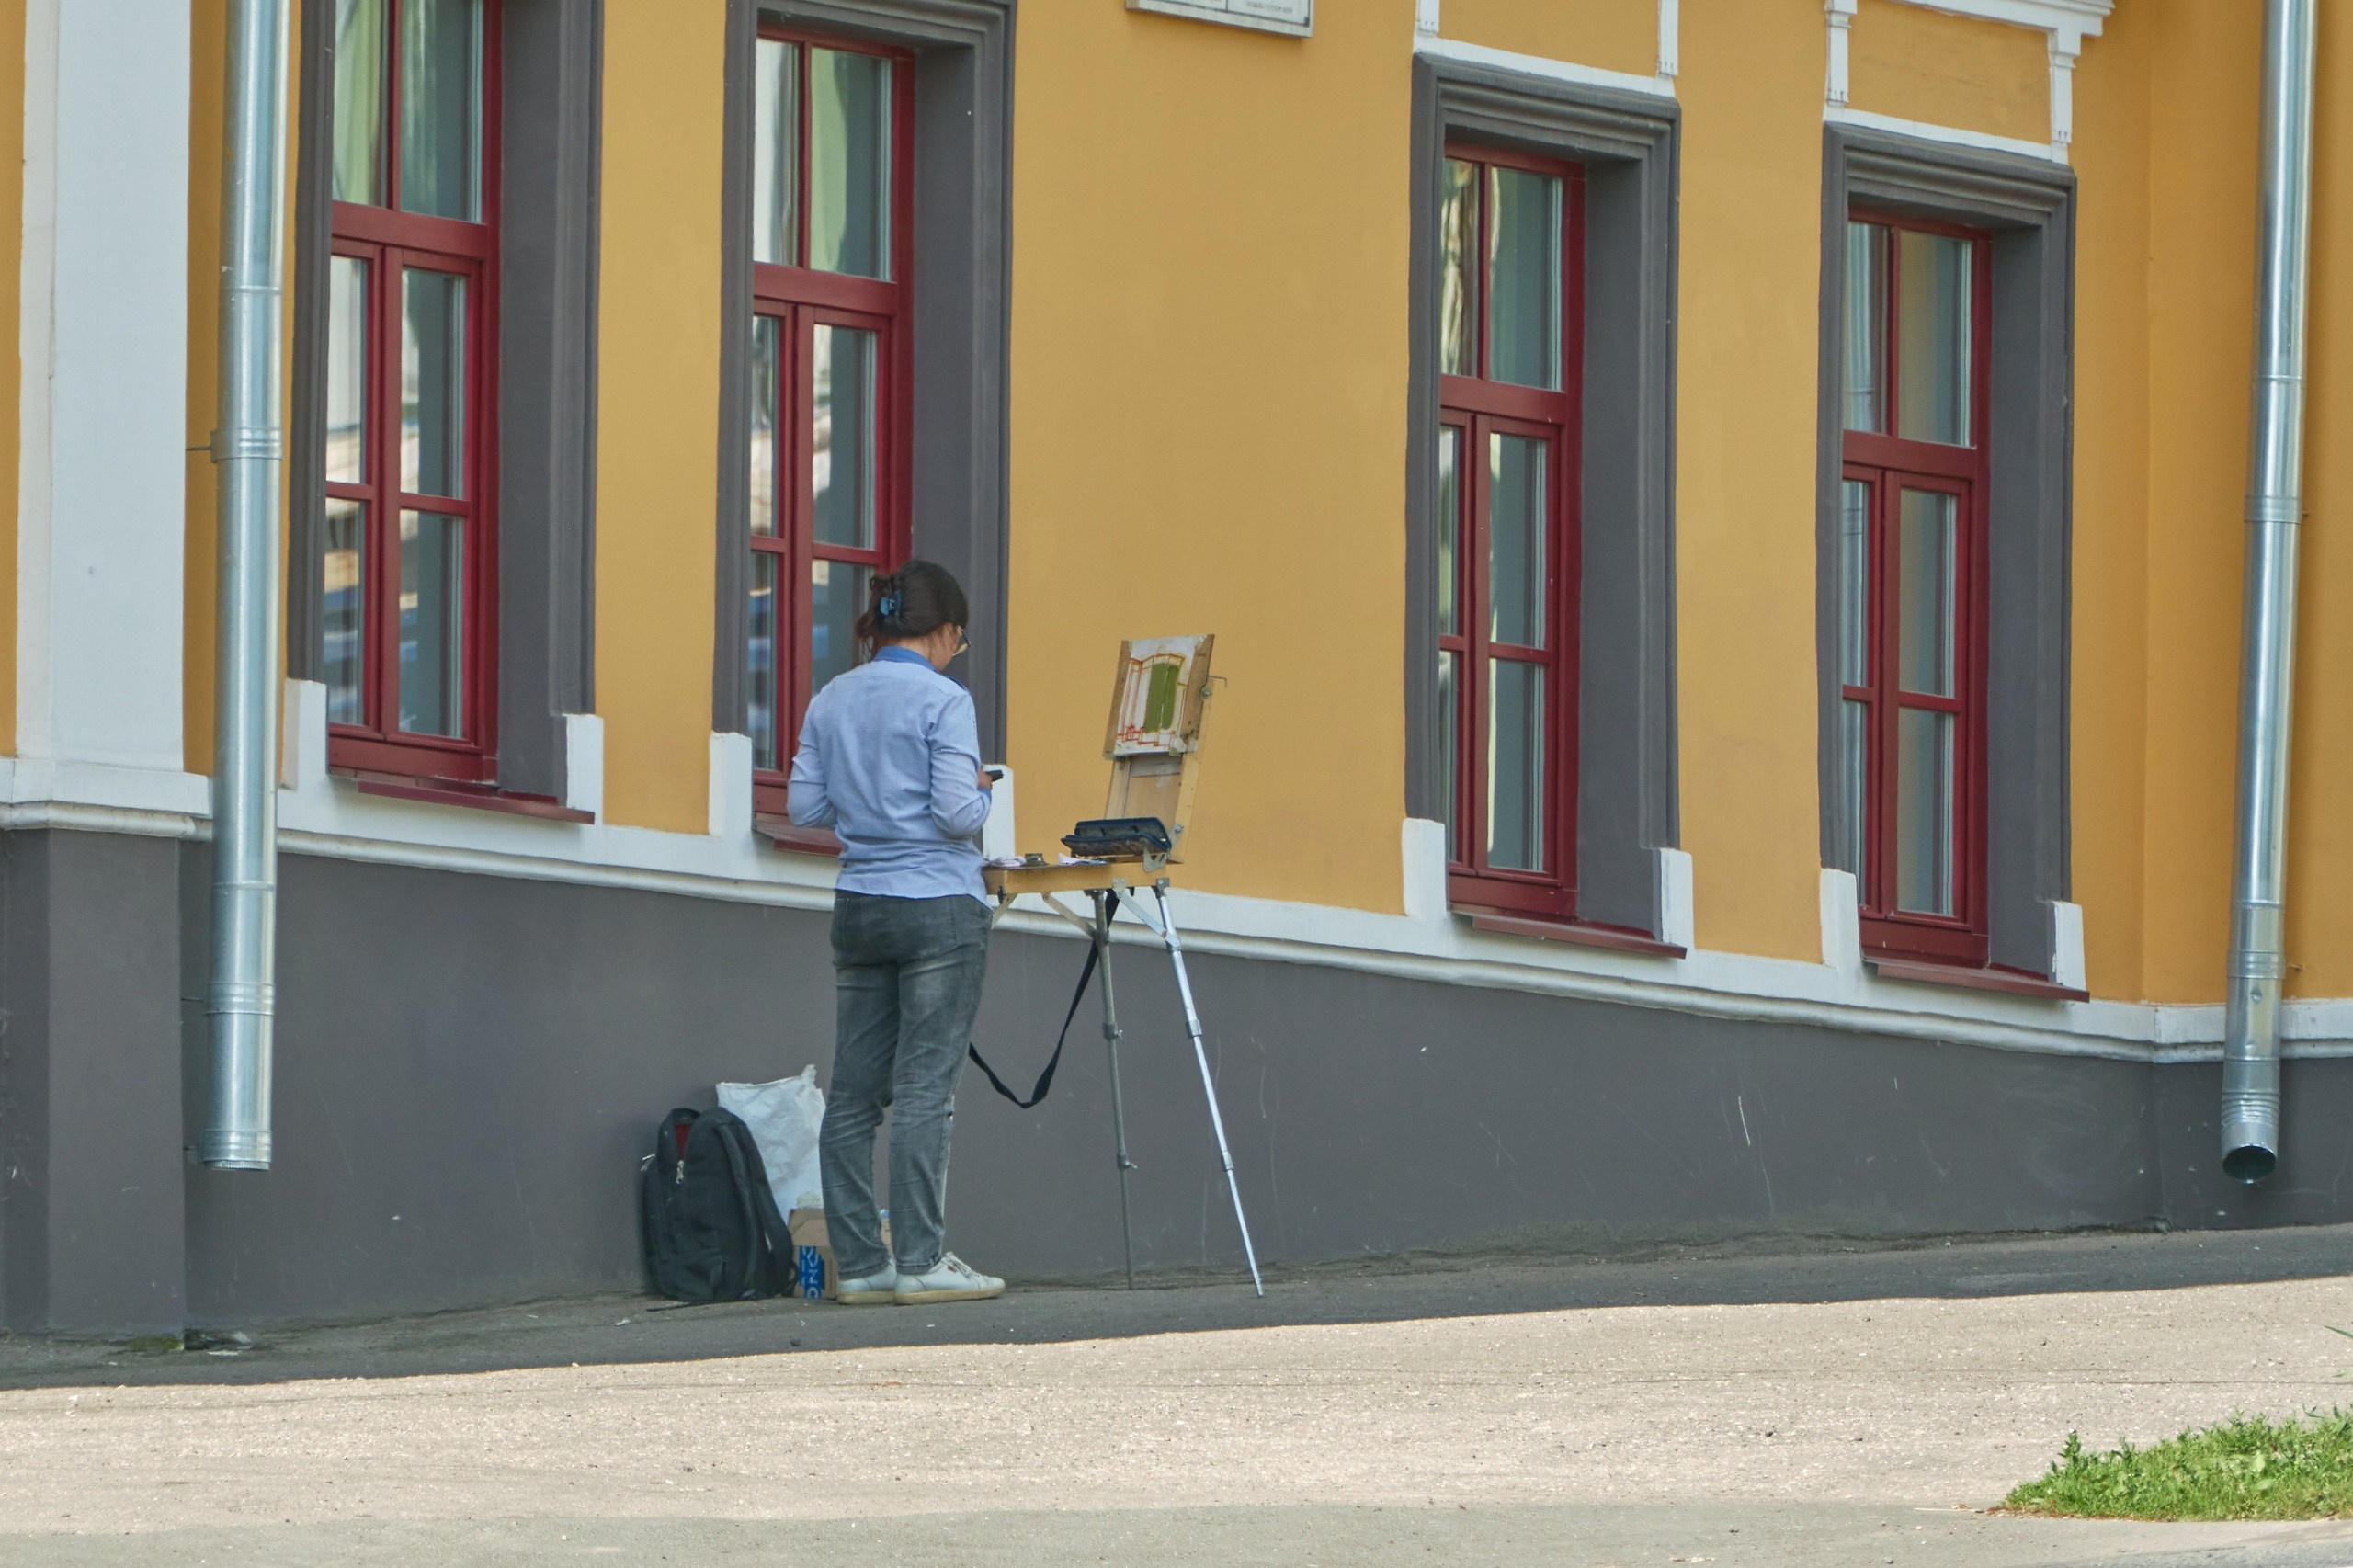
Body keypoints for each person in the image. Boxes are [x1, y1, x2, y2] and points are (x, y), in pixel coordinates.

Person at [787, 561, 1006, 1306]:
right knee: (924, 1090)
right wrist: (982, 792)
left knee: (852, 1095)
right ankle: (921, 1260)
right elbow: (955, 816)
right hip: (939, 902)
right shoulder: (946, 700)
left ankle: (865, 1267)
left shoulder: (831, 697)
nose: (955, 652)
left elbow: (805, 808)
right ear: (943, 631)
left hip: (860, 902)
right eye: (958, 640)